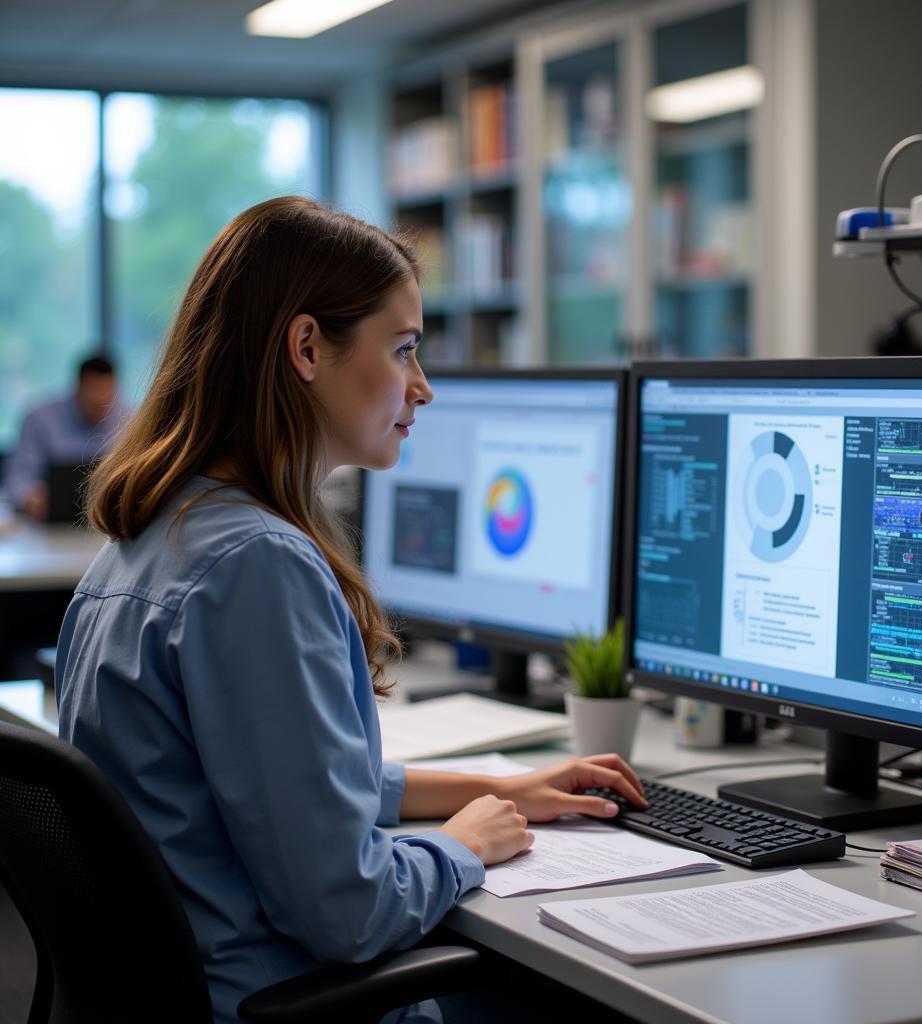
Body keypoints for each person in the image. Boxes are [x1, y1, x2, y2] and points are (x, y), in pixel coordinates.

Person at [54, 196, 647, 1024]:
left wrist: (493, 788)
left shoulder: (152, 536)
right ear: (306, 347)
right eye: (404, 350)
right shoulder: (256, 565)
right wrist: (464, 844)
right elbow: (348, 910)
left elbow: (278, 786)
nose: (424, 387)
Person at [4, 354, 124, 520]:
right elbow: (19, 475)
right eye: (93, 397)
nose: (100, 403)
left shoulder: (131, 421)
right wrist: (29, 497)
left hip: (111, 523)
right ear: (77, 388)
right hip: (50, 525)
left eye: (106, 396)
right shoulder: (40, 419)